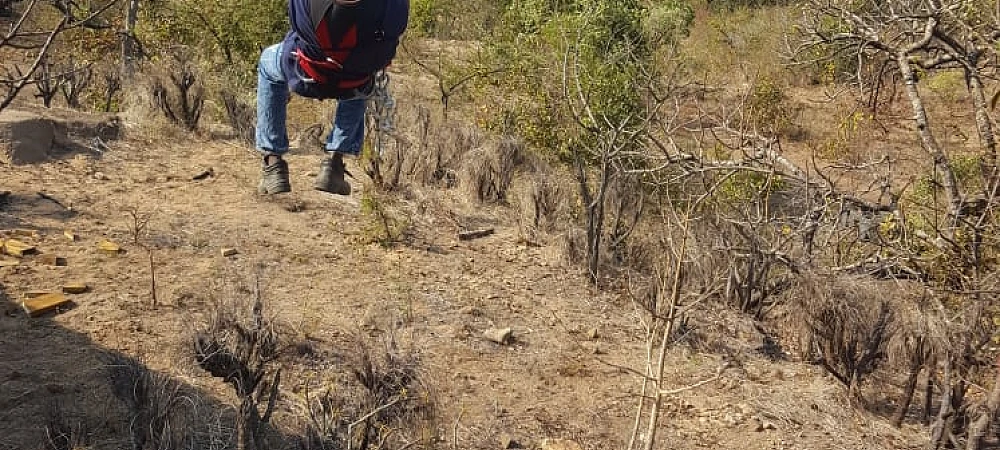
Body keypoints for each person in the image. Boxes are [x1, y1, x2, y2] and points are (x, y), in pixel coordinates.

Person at [256, 0, 409, 196]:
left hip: (306, 73)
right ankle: (335, 162)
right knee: (361, 74)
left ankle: (273, 161)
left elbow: (297, 25)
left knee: (268, 62)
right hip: (353, 81)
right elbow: (392, 38)